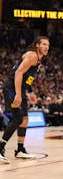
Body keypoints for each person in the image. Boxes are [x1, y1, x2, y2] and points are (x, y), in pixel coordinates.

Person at [0, 36, 50, 164]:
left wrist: (30, 91)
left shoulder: (38, 59)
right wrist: (17, 94)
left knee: (25, 119)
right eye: (43, 44)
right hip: (11, 88)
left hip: (20, 89)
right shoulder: (33, 55)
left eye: (48, 45)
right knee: (18, 119)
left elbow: (27, 78)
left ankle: (20, 149)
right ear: (37, 45)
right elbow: (18, 73)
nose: (46, 47)